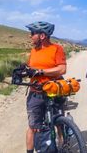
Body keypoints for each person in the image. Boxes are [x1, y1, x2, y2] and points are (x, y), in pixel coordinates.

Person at [25, 21, 67, 153]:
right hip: (35, 92)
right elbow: (31, 69)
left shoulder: (57, 48)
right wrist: (24, 71)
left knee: (58, 123)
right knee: (33, 126)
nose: (30, 36)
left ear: (42, 36)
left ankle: (62, 145)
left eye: (32, 33)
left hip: (53, 91)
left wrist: (41, 71)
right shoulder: (33, 50)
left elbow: (62, 69)